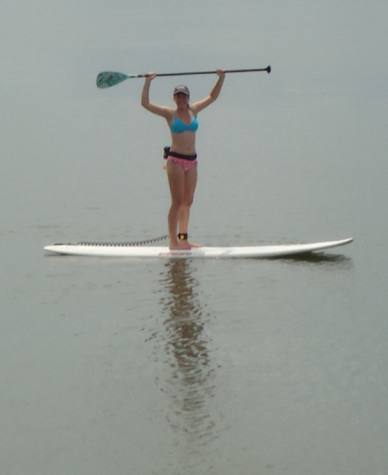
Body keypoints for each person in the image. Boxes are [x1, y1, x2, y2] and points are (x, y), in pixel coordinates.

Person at [141, 69, 225, 250]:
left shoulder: (194, 110)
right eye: (178, 97)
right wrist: (148, 81)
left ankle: (184, 239)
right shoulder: (169, 113)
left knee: (188, 202)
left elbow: (212, 96)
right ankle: (173, 243)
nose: (181, 100)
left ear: (188, 98)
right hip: (175, 161)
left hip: (192, 161)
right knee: (177, 203)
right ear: (174, 99)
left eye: (184, 97)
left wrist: (221, 78)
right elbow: (145, 103)